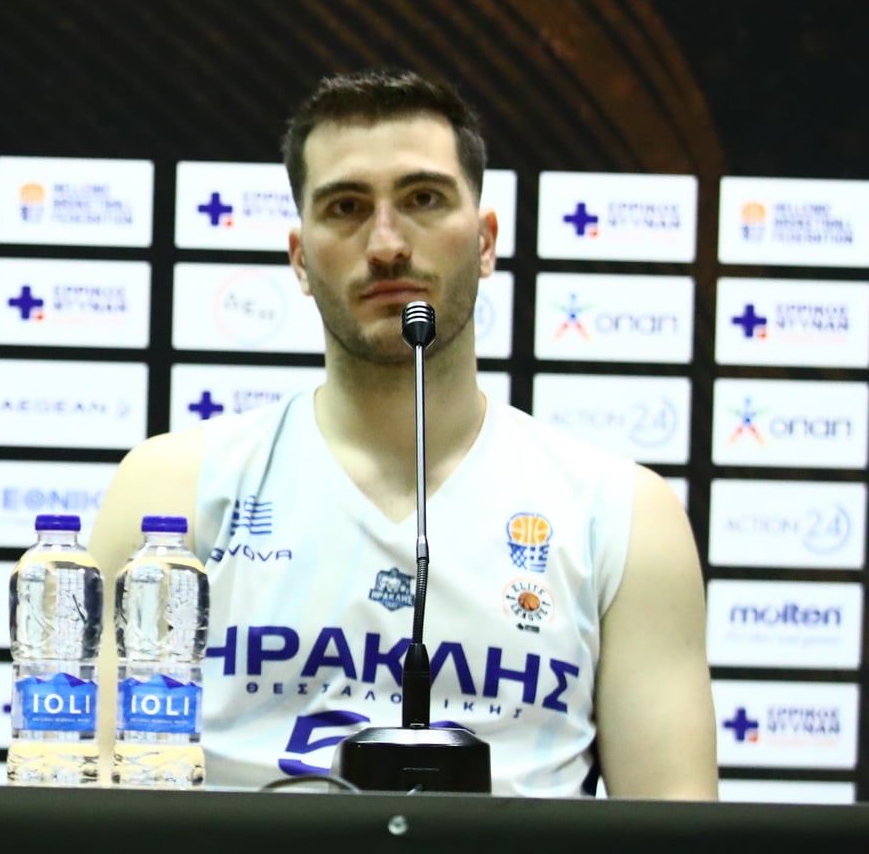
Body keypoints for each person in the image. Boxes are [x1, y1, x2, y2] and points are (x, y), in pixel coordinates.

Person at [91, 70, 714, 797]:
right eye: (346, 207)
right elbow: (85, 806)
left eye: (423, 199)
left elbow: (674, 828)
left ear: (485, 242)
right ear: (300, 258)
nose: (386, 244)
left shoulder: (622, 513)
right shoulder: (174, 488)